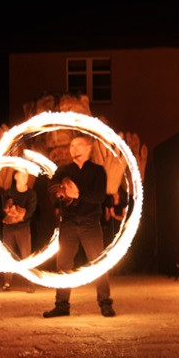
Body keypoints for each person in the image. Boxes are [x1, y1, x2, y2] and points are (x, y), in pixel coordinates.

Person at [43, 134, 116, 318]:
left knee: (99, 264)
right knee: (63, 264)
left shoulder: (98, 171)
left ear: (89, 148)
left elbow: (99, 197)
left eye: (78, 145)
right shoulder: (63, 170)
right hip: (68, 224)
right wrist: (61, 194)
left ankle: (105, 303)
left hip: (90, 224)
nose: (73, 148)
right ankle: (62, 305)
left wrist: (78, 194)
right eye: (72, 145)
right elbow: (52, 187)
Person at [0, 169, 38, 293]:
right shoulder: (9, 192)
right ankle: (7, 283)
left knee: (26, 255)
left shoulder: (31, 194)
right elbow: (4, 209)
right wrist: (10, 211)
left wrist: (20, 214)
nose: (25, 177)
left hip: (23, 229)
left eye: (26, 175)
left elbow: (30, 212)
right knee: (7, 255)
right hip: (9, 229)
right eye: (22, 175)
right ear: (16, 176)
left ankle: (31, 283)